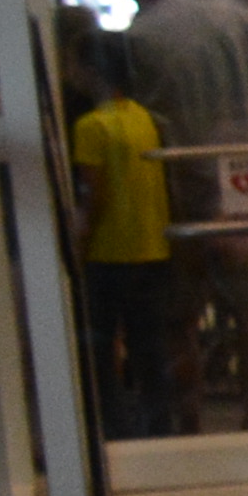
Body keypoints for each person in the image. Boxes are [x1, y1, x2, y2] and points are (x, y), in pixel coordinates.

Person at [119, 0, 248, 433]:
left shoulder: (138, 38)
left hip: (180, 179)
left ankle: (190, 418)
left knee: (180, 315)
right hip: (243, 174)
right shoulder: (231, 18)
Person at [61, 48, 175, 442]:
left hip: (109, 250)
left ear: (91, 71)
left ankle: (114, 423)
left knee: (100, 344)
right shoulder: (142, 117)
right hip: (152, 245)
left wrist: (79, 241)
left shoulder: (91, 126)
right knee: (150, 344)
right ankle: (158, 422)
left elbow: (95, 193)